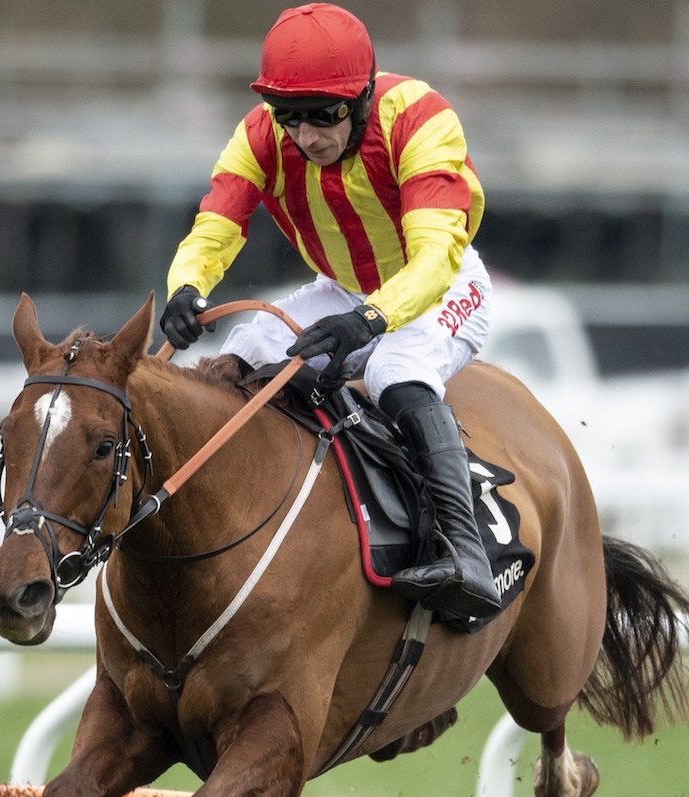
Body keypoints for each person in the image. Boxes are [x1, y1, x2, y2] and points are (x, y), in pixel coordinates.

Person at [159, 3, 500, 618]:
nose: (306, 137)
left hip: (442, 284)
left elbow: (431, 261)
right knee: (243, 348)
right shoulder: (260, 134)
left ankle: (463, 548)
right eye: (290, 118)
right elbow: (215, 226)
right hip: (343, 288)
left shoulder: (419, 120)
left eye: (324, 116)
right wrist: (186, 289)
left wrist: (371, 320)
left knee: (393, 369)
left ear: (364, 97)